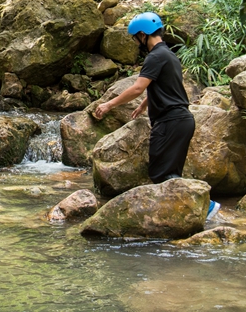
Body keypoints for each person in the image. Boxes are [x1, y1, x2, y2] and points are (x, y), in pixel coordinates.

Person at [92, 11, 220, 219]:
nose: (135, 43)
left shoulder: (155, 57)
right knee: (170, 174)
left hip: (170, 122)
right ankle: (194, 213)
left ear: (143, 35)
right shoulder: (169, 55)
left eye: (135, 38)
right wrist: (145, 104)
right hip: (181, 121)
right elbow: (166, 86)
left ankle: (208, 206)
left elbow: (137, 88)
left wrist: (109, 104)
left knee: (160, 174)